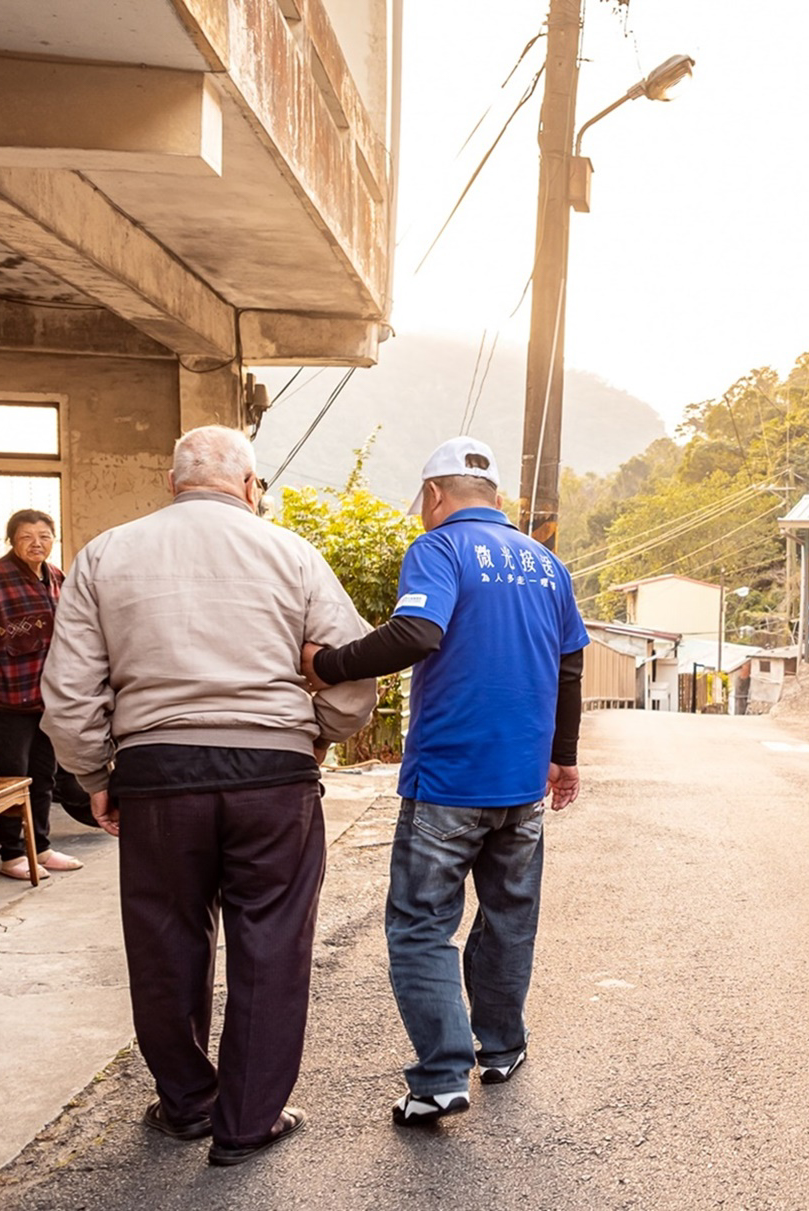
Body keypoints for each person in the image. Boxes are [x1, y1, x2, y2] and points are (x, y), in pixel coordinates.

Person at [40, 426, 377, 1166]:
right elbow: (351, 675)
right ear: (251, 486)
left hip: (158, 775)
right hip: (274, 776)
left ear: (172, 483)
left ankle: (187, 1102)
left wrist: (97, 775)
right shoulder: (292, 553)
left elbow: (67, 693)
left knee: (164, 938)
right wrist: (317, 734)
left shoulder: (107, 553)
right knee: (273, 941)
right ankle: (248, 1121)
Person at [301, 435, 588, 1127]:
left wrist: (326, 664)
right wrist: (563, 755)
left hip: (448, 781)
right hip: (522, 783)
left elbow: (417, 633)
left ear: (434, 494)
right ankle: (502, 1047)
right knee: (509, 916)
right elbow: (571, 666)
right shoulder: (547, 563)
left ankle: (439, 1077)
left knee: (422, 925)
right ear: (496, 497)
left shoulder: (439, 548)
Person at [0, 508, 91, 879]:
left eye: (44, 536)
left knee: (44, 777)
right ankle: (12, 854)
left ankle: (40, 848)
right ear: (12, 540)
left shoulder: (56, 576)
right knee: (13, 779)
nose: (36, 544)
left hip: (48, 698)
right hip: (8, 700)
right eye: (26, 537)